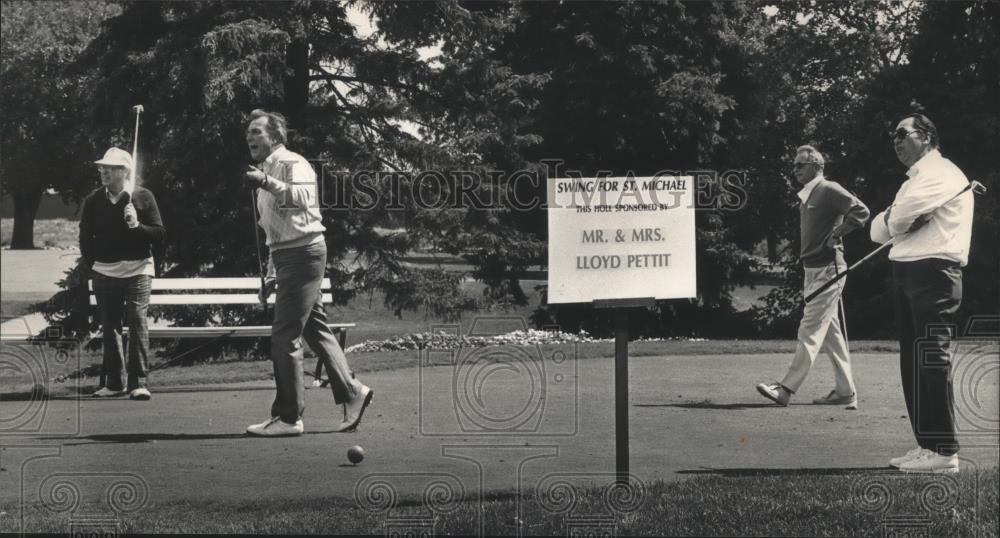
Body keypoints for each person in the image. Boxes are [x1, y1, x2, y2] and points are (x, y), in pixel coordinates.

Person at [243, 109, 373, 436]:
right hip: (291, 255)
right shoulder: (268, 169)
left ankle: (288, 418)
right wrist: (272, 273)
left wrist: (266, 182)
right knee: (315, 329)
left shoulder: (289, 163)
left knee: (285, 334)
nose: (250, 137)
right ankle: (353, 392)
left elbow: (302, 198)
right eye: (248, 132)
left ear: (275, 136)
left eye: (257, 131)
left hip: (303, 253)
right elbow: (276, 230)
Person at [871, 113, 973, 474]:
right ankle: (928, 445)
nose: (895, 141)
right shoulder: (913, 180)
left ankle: (945, 452)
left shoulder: (942, 173)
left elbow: (895, 223)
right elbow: (877, 231)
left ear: (926, 136)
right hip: (906, 270)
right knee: (912, 362)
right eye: (892, 135)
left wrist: (893, 220)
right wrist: (892, 220)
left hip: (933, 272)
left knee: (931, 359)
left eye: (902, 133)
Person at [757, 145, 869, 409]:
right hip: (813, 271)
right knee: (831, 334)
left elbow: (861, 212)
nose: (794, 169)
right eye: (794, 165)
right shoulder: (806, 195)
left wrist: (838, 233)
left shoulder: (829, 189)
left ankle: (785, 389)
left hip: (830, 270)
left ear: (816, 167)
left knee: (809, 328)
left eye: (800, 165)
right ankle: (845, 392)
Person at [79, 147, 165, 400]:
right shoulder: (94, 200)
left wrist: (136, 225)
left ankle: (139, 383)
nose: (103, 171)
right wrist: (92, 262)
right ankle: (115, 382)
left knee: (137, 321)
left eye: (111, 167)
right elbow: (85, 235)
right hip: (104, 270)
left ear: (124, 171)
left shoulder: (142, 196)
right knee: (110, 325)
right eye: (102, 167)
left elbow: (160, 234)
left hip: (138, 268)